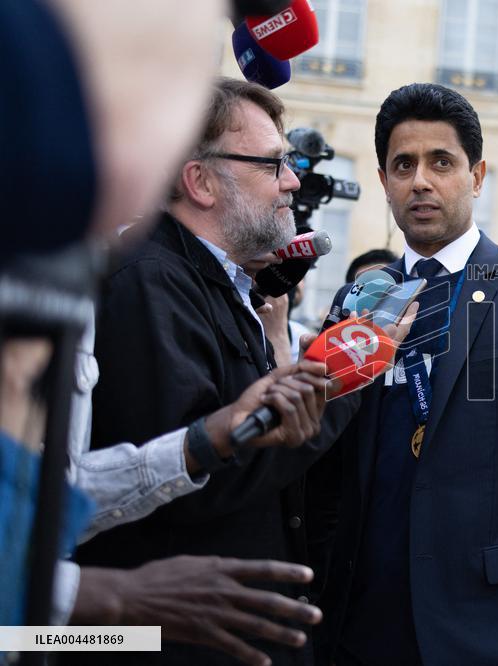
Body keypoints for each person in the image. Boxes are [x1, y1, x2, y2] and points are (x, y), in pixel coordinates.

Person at [68, 79, 378, 666]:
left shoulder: (221, 281)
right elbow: (200, 480)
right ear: (201, 181)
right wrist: (350, 368)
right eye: (273, 164)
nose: (292, 181)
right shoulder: (147, 280)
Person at [314, 83, 498, 666]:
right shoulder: (356, 302)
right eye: (404, 165)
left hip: (493, 625)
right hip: (362, 623)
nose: (420, 180)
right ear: (384, 183)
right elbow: (327, 462)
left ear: (477, 177)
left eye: (440, 162)